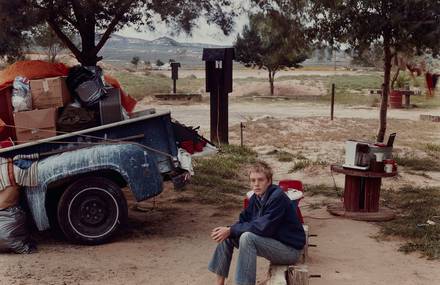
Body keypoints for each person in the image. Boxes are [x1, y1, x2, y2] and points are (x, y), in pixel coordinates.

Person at [208, 161, 306, 285]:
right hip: (273, 242)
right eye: (253, 180)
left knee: (247, 237)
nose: (256, 184)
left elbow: (264, 228)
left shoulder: (277, 197)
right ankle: (219, 283)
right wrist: (229, 230)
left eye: (260, 180)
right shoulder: (256, 197)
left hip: (289, 250)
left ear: (269, 181)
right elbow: (244, 220)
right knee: (227, 234)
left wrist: (232, 230)